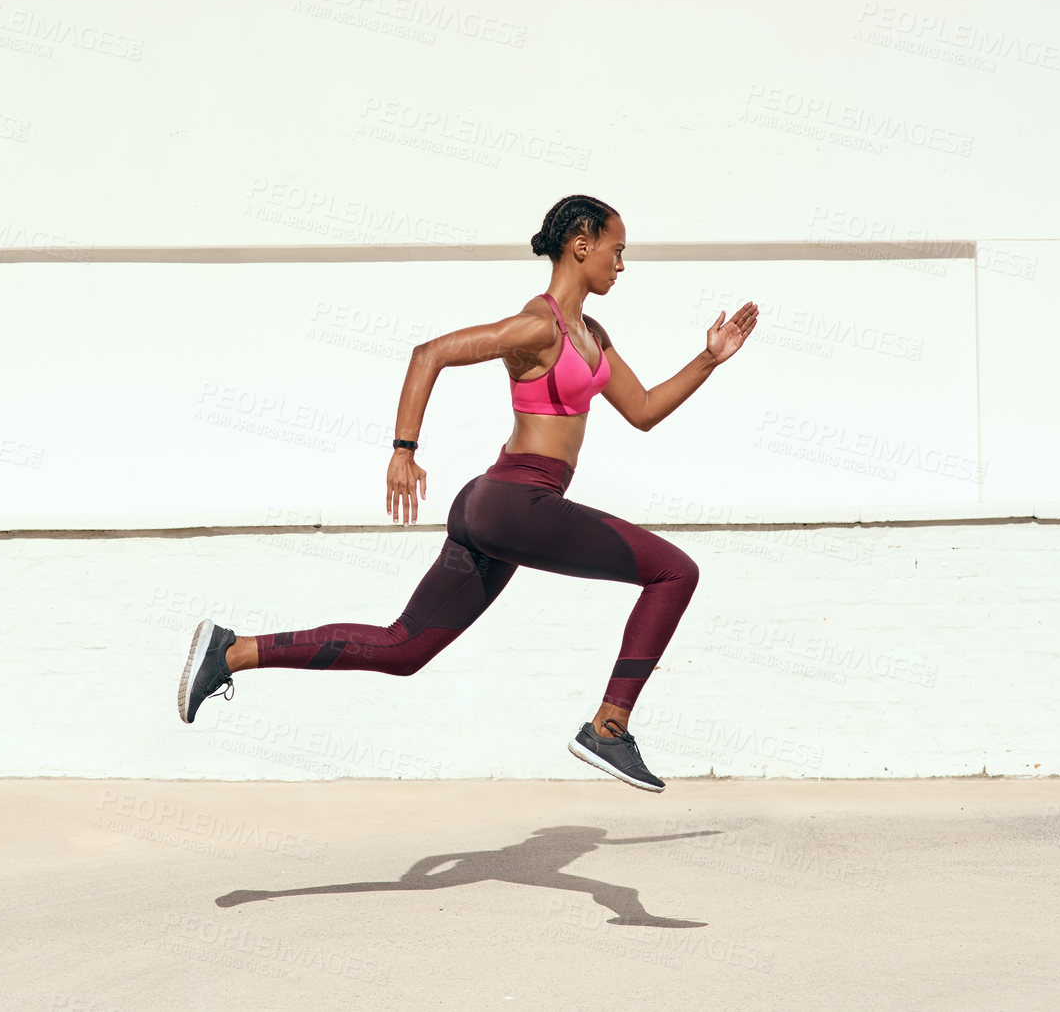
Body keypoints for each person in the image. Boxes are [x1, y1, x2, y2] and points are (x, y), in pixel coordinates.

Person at [177, 195, 758, 792]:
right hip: (516, 503)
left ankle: (231, 651)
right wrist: (404, 450)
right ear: (582, 246)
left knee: (403, 650)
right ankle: (608, 728)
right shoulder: (538, 326)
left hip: (498, 509)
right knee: (674, 573)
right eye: (617, 250)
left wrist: (708, 359)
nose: (621, 264)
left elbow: (643, 411)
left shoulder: (594, 334)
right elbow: (430, 354)